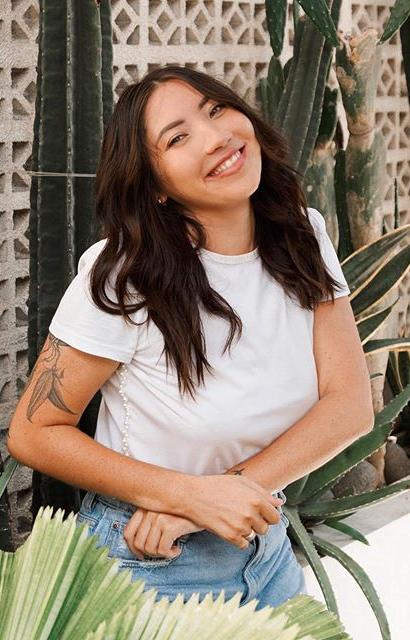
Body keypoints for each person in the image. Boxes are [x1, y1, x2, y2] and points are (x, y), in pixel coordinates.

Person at [7, 65, 374, 611]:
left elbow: (349, 405)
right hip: (150, 562)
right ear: (154, 187)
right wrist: (188, 497)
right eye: (178, 138)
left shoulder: (303, 233)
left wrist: (216, 498)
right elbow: (34, 433)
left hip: (265, 545)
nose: (216, 137)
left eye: (216, 110)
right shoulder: (124, 278)